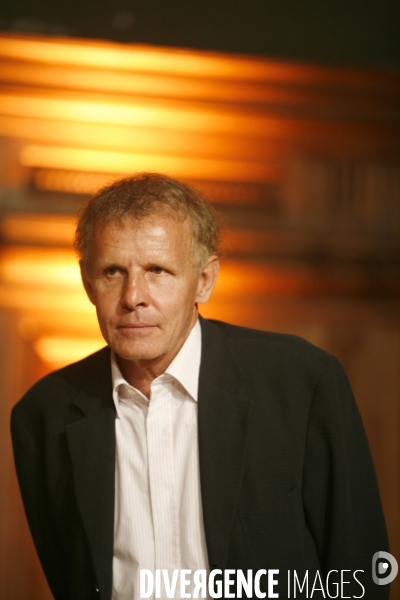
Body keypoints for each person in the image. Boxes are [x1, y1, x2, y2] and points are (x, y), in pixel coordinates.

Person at [11, 173, 389, 600]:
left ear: (204, 280)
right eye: (113, 271)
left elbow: (361, 572)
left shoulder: (303, 383)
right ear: (86, 282)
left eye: (158, 270)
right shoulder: (43, 417)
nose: (133, 296)